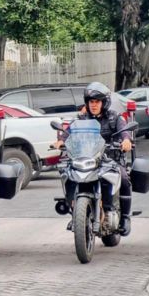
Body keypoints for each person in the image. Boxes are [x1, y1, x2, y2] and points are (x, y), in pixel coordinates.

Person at [54, 82, 134, 235]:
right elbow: (68, 132)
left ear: (104, 103)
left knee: (124, 178)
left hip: (110, 159)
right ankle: (75, 211)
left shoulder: (114, 118)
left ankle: (125, 217)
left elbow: (124, 132)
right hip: (86, 158)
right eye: (91, 102)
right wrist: (61, 141)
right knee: (68, 174)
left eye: (97, 102)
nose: (94, 105)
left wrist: (126, 140)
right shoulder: (81, 119)